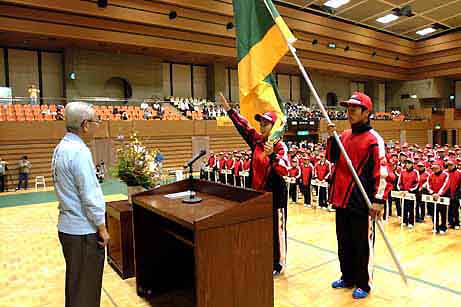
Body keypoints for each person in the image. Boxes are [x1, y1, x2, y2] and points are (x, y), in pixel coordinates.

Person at [220, 93, 290, 275]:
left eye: (265, 123)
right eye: (261, 123)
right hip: (258, 196)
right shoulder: (257, 141)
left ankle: (278, 264)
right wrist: (230, 111)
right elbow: (244, 127)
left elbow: (285, 169)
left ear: (274, 126)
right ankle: (265, 258)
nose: (261, 126)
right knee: (262, 229)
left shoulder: (280, 146)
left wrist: (272, 155)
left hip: (276, 198)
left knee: (276, 232)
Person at [326, 92, 387, 299]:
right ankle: (348, 276)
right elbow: (332, 159)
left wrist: (379, 201)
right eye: (348, 109)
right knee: (343, 241)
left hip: (362, 202)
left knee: (362, 245)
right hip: (341, 200)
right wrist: (332, 138)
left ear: (366, 112)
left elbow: (383, 172)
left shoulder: (374, 140)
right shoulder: (343, 136)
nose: (349, 112)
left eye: (354, 109)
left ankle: (363, 283)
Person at [52, 101, 109, 307]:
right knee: (86, 290)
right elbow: (90, 195)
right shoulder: (80, 152)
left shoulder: (61, 148)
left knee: (76, 286)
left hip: (67, 228)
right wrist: (102, 228)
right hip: (83, 231)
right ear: (85, 124)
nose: (96, 126)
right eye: (95, 122)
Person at [426, 162, 449, 234]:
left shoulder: (445, 175)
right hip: (433, 196)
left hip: (442, 196)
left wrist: (439, 194)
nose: (434, 169)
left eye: (436, 168)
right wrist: (432, 193)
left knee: (443, 213)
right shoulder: (430, 175)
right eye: (433, 168)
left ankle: (443, 227)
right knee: (434, 213)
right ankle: (435, 226)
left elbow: (446, 185)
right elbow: (428, 185)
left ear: (440, 167)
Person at [397, 158, 419, 228]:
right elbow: (399, 182)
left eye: (409, 163)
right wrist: (401, 189)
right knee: (404, 207)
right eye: (406, 163)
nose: (407, 165)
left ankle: (411, 222)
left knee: (411, 208)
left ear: (412, 164)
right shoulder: (402, 172)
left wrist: (410, 190)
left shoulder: (416, 172)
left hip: (411, 194)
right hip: (403, 193)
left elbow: (417, 183)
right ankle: (404, 221)